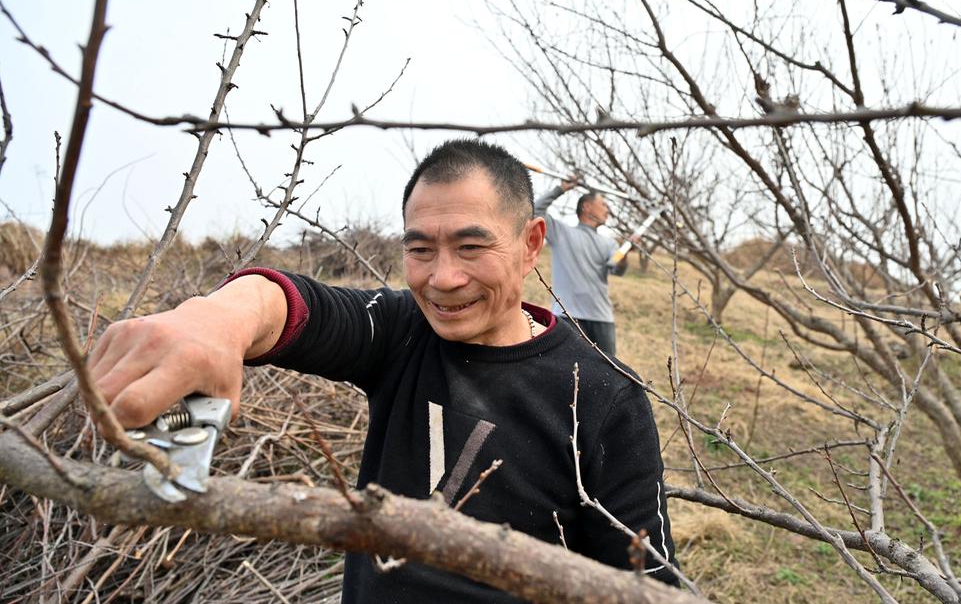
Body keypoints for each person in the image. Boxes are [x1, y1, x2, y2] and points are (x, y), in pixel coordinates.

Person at [91, 139, 678, 603]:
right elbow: (302, 306)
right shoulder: (401, 333)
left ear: (530, 244)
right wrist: (215, 319)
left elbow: (646, 582)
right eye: (420, 250)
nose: (442, 278)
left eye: (471, 248)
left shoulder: (604, 393)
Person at [533, 177, 629, 356]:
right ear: (587, 207)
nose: (608, 209)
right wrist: (561, 189)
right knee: (569, 372)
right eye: (603, 204)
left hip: (601, 317)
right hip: (567, 316)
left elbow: (618, 270)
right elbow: (535, 211)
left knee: (609, 374)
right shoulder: (561, 232)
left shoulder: (609, 244)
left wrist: (623, 258)